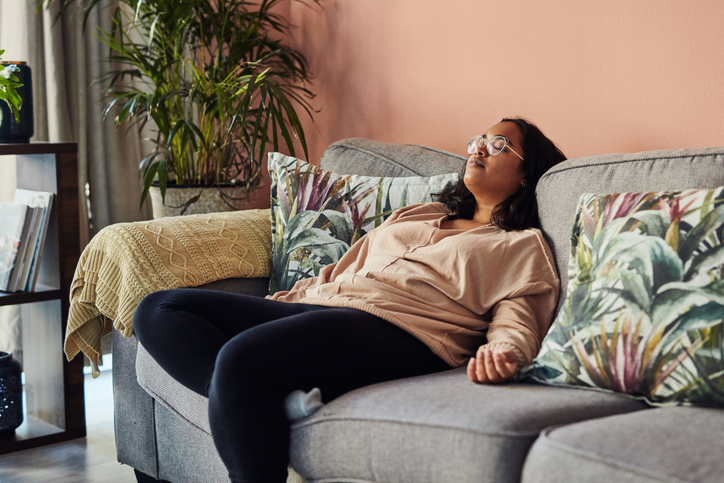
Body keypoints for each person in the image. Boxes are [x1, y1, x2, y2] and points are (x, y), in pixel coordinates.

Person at [133, 117, 567, 483]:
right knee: (158, 309)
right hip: (326, 306)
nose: (479, 149)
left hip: (402, 330)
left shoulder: (520, 245)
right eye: (478, 141)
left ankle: (254, 393)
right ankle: (259, 398)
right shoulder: (419, 215)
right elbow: (346, 268)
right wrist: (284, 302)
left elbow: (519, 316)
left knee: (239, 360)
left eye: (499, 145)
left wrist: (505, 353)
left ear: (527, 173)